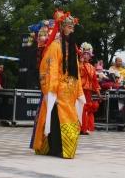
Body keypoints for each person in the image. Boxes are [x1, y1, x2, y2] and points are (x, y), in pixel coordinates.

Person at [32, 12, 84, 158]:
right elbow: (51, 68)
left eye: (73, 28)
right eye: (69, 27)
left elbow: (77, 72)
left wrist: (79, 90)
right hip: (58, 90)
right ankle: (56, 149)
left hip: (70, 91)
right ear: (62, 28)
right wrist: (52, 89)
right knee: (56, 119)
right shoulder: (55, 46)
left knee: (70, 119)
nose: (71, 30)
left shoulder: (72, 47)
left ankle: (65, 148)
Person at [79, 43, 100, 135]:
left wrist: (98, 92)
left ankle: (85, 127)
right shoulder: (78, 65)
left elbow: (95, 81)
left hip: (88, 91)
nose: (86, 55)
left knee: (87, 108)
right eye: (84, 53)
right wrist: (80, 62)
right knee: (79, 108)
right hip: (78, 89)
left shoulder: (92, 67)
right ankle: (79, 127)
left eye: (88, 54)